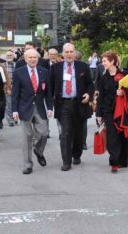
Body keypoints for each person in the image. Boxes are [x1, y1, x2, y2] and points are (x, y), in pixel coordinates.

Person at [49, 43, 94, 171]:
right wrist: (50, 105)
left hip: (79, 103)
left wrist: (88, 95)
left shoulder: (83, 66)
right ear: (62, 54)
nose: (69, 54)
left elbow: (90, 84)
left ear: (75, 53)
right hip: (63, 104)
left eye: (71, 52)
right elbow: (51, 87)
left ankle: (76, 154)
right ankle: (66, 161)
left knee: (79, 134)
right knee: (65, 133)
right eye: (66, 52)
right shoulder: (56, 68)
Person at [11, 49, 53, 174]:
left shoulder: (44, 72)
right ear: (25, 59)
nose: (33, 59)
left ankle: (38, 151)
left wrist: (50, 107)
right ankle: (28, 164)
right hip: (24, 109)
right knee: (26, 138)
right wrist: (14, 110)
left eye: (35, 57)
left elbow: (48, 92)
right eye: (30, 57)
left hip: (40, 108)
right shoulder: (19, 72)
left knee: (44, 133)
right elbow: (15, 93)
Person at [96, 51, 128, 173]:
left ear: (113, 61)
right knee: (112, 136)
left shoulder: (124, 74)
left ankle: (122, 161)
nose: (102, 63)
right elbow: (101, 97)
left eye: (105, 61)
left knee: (122, 135)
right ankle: (114, 162)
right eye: (102, 61)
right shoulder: (103, 78)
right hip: (108, 110)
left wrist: (123, 92)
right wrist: (99, 114)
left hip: (122, 110)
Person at [4, 50, 17, 126]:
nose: (9, 57)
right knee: (9, 104)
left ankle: (15, 117)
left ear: (13, 56)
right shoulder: (2, 66)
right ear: (5, 57)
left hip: (16, 87)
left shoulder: (16, 65)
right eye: (8, 55)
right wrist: (7, 88)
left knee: (16, 104)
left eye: (10, 55)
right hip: (7, 87)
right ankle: (10, 120)